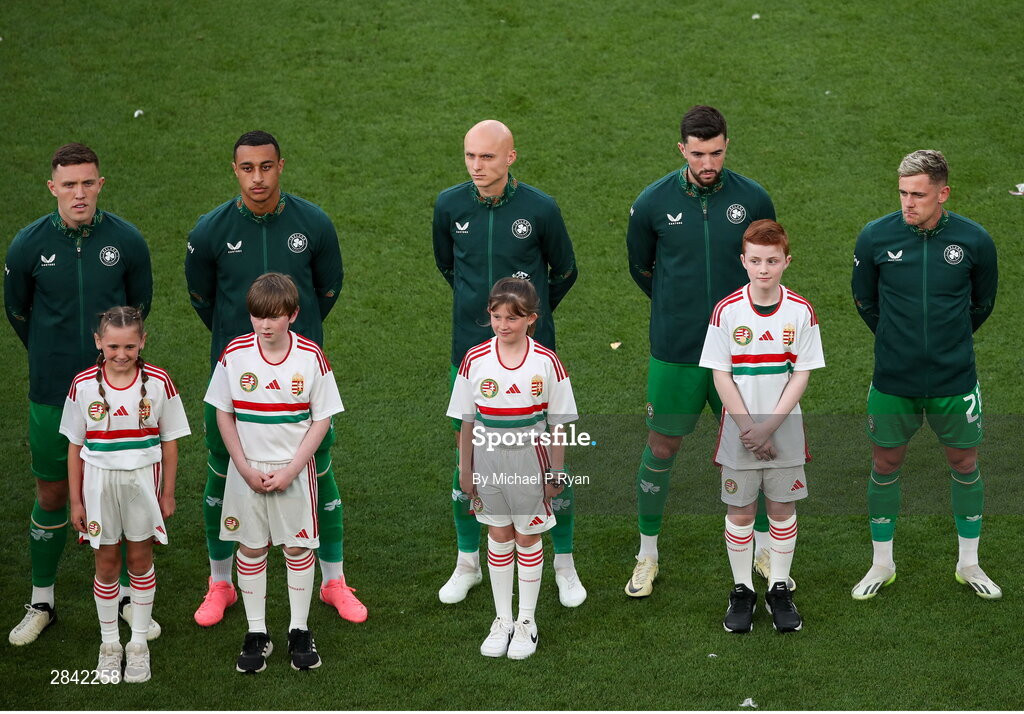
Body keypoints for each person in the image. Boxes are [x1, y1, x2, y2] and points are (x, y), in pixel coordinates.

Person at [185, 130, 365, 626]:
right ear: (235, 170)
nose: (257, 177)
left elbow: (328, 289)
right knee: (221, 480)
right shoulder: (209, 232)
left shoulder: (314, 224)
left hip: (300, 385)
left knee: (319, 480)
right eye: (247, 168)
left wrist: (292, 352)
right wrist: (242, 354)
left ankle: (333, 581)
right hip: (234, 383)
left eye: (266, 167)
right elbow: (203, 299)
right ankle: (220, 582)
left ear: (281, 166)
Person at [624, 106, 781, 597]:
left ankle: (760, 547)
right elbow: (642, 267)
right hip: (677, 349)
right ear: (682, 150)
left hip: (743, 352)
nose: (708, 162)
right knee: (662, 446)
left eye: (715, 152)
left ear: (726, 145)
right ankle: (646, 554)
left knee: (751, 448)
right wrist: (680, 308)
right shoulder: (653, 203)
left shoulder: (753, 197)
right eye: (698, 154)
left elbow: (766, 264)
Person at [5, 143, 154, 646]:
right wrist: (55, 357)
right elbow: (18, 311)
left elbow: (138, 309)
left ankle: (134, 599)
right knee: (52, 492)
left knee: (123, 491)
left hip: (118, 393)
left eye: (88, 182)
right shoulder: (28, 246)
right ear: (53, 188)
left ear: (100, 184)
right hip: (52, 392)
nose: (79, 193)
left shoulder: (127, 241)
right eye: (69, 184)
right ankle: (42, 600)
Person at [433, 120, 583, 607]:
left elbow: (564, 271)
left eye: (488, 158)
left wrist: (523, 320)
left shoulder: (541, 209)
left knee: (547, 461)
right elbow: (448, 266)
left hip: (533, 353)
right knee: (470, 457)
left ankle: (563, 564)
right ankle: (467, 562)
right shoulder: (449, 205)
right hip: (472, 351)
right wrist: (489, 319)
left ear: (511, 158)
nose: (477, 166)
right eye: (470, 157)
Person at [851, 150, 999, 600]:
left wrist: (946, 343)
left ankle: (968, 563)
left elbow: (982, 304)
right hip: (894, 379)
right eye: (902, 193)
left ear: (943, 193)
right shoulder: (875, 237)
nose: (907, 203)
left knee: (965, 464)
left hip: (954, 380)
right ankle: (882, 564)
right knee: (884, 465)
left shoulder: (975, 241)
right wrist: (901, 342)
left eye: (918, 194)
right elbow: (865, 301)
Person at [205, 273, 345, 672]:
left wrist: (291, 470)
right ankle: (256, 633)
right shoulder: (234, 354)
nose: (265, 325)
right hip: (245, 472)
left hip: (294, 473)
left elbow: (322, 420)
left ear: (293, 315)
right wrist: (245, 468)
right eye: (257, 316)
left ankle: (299, 630)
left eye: (274, 317)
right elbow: (223, 413)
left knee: (297, 548)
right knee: (249, 547)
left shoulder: (311, 356)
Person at [699, 220, 824, 633]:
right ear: (743, 261)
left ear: (786, 261)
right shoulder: (726, 310)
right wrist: (749, 427)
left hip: (783, 427)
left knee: (782, 509)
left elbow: (801, 375)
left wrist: (768, 426)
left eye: (772, 260)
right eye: (755, 260)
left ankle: (778, 588)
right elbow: (720, 376)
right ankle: (741, 591)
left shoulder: (801, 311)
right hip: (739, 427)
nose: (764, 268)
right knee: (740, 510)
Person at [447, 278, 578, 659]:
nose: (503, 325)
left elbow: (558, 425)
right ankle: (502, 620)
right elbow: (466, 423)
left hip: (530, 463)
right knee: (499, 536)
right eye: (496, 316)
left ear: (531, 319)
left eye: (513, 318)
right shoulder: (474, 359)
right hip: (487, 462)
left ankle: (527, 622)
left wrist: (555, 472)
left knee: (527, 538)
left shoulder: (547, 362)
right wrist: (465, 470)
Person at [61, 307, 190, 683]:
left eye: (130, 346)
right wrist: (76, 501)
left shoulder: (160, 381)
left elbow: (170, 442)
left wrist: (167, 493)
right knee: (105, 565)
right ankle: (109, 646)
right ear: (98, 342)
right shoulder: (82, 384)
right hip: (98, 484)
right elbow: (74, 446)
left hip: (142, 485)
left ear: (142, 342)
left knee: (139, 559)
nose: (121, 354)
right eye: (113, 345)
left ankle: (137, 647)